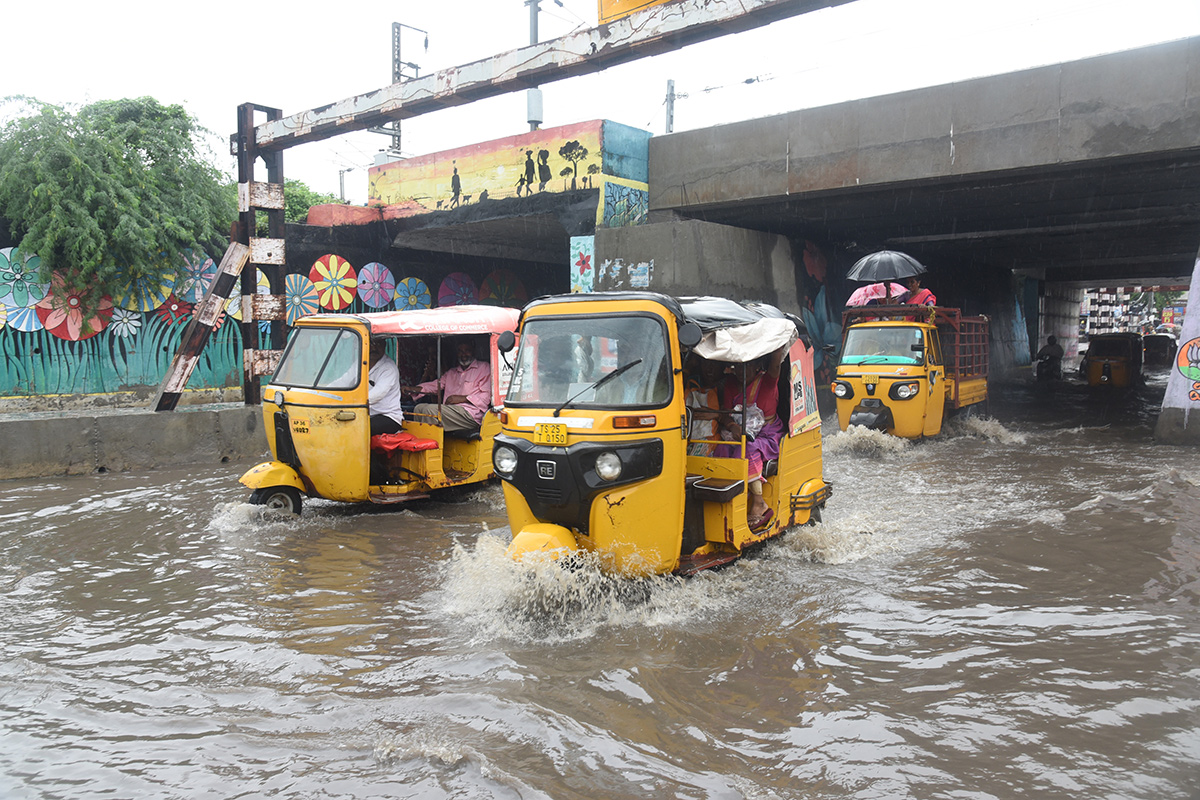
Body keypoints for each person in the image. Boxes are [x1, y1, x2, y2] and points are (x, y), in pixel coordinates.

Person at [719, 347, 787, 530]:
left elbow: (775, 365)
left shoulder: (767, 381)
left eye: (746, 366)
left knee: (747, 449)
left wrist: (777, 344)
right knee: (719, 450)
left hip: (767, 433)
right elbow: (724, 414)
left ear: (757, 366)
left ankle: (759, 502)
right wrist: (733, 427)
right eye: (737, 367)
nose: (740, 371)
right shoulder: (731, 384)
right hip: (740, 432)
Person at [403, 338, 491, 435]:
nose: (463, 355)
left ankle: (432, 446)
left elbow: (486, 398)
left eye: (467, 351)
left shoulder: (484, 368)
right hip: (451, 411)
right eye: (460, 352)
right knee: (418, 409)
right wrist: (413, 389)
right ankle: (421, 444)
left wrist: (461, 398)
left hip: (470, 414)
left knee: (430, 411)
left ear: (473, 352)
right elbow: (434, 385)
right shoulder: (452, 372)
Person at [685, 357, 726, 456]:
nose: (709, 369)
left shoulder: (726, 385)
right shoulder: (693, 382)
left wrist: (716, 415)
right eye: (705, 364)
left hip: (715, 436)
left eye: (714, 364)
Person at [366, 338, 405, 436]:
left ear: (384, 346)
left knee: (357, 427)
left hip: (389, 417)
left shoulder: (388, 368)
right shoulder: (361, 363)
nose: (374, 348)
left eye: (378, 344)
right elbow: (344, 380)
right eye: (371, 344)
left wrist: (352, 401)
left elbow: (377, 394)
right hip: (368, 415)